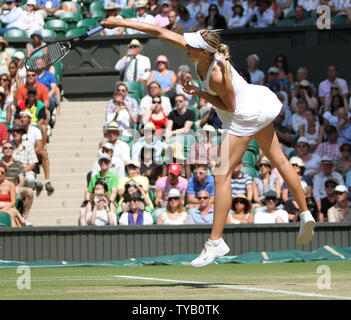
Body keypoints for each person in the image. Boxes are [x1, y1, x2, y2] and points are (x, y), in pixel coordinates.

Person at [101, 17, 315, 268]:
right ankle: (305, 213)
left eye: (191, 45)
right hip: (256, 106)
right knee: (279, 159)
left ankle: (216, 241)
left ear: (204, 52)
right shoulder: (202, 55)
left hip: (243, 116)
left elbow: (229, 107)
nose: (186, 48)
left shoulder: (216, 74)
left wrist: (197, 92)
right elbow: (158, 31)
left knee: (221, 173)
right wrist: (120, 21)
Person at [19, 110, 54, 196]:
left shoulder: (35, 130)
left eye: (25, 117)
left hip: (33, 153)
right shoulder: (17, 131)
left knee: (44, 153)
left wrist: (30, 153)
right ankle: (34, 181)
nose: (23, 119)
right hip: (20, 155)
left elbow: (39, 146)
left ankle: (47, 181)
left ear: (29, 119)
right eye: (21, 117)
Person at [0, 140, 33, 226]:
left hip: (15, 187)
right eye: (5, 148)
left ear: (13, 150)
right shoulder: (0, 164)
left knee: (29, 192)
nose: (8, 149)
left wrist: (17, 187)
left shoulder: (18, 164)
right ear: (2, 150)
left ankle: (25, 218)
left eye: (10, 148)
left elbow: (22, 180)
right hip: (3, 189)